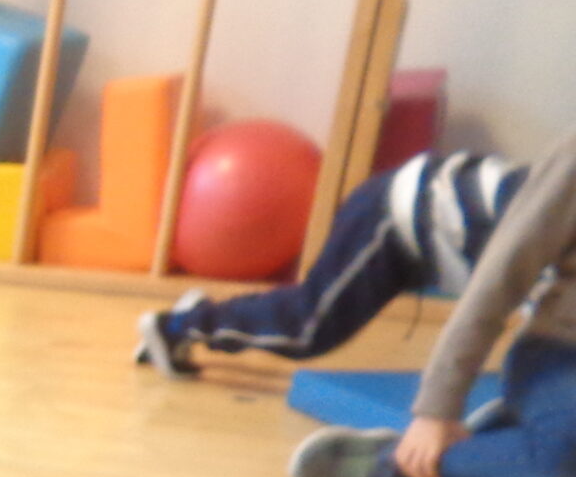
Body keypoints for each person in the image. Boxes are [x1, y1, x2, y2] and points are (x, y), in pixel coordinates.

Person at [285, 127, 576, 477]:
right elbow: (495, 283)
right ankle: (390, 465)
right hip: (559, 354)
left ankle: (508, 429)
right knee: (560, 465)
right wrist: (437, 410)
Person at [133, 144, 530, 378]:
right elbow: (485, 323)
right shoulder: (543, 237)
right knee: (308, 329)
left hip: (422, 229)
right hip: (392, 215)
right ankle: (176, 325)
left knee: (307, 316)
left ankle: (198, 316)